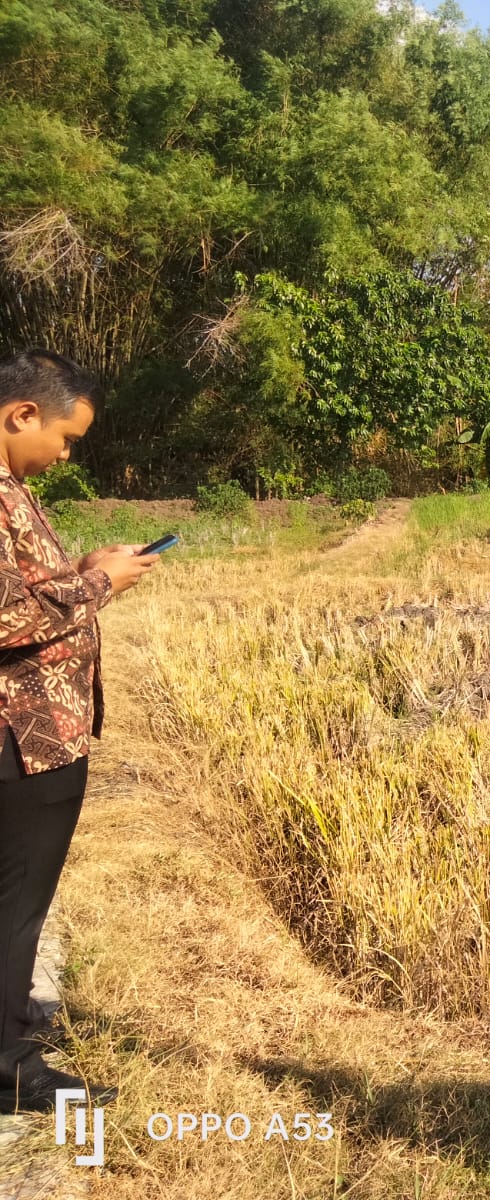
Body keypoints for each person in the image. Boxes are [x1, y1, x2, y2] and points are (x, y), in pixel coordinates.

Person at [0, 348, 157, 1113]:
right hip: (22, 741)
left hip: (36, 734)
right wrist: (99, 583)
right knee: (16, 901)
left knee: (17, 897)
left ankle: (10, 1027)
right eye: (65, 437)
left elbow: (22, 588)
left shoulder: (10, 487)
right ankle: (9, 1069)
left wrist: (83, 568)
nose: (65, 454)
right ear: (20, 414)